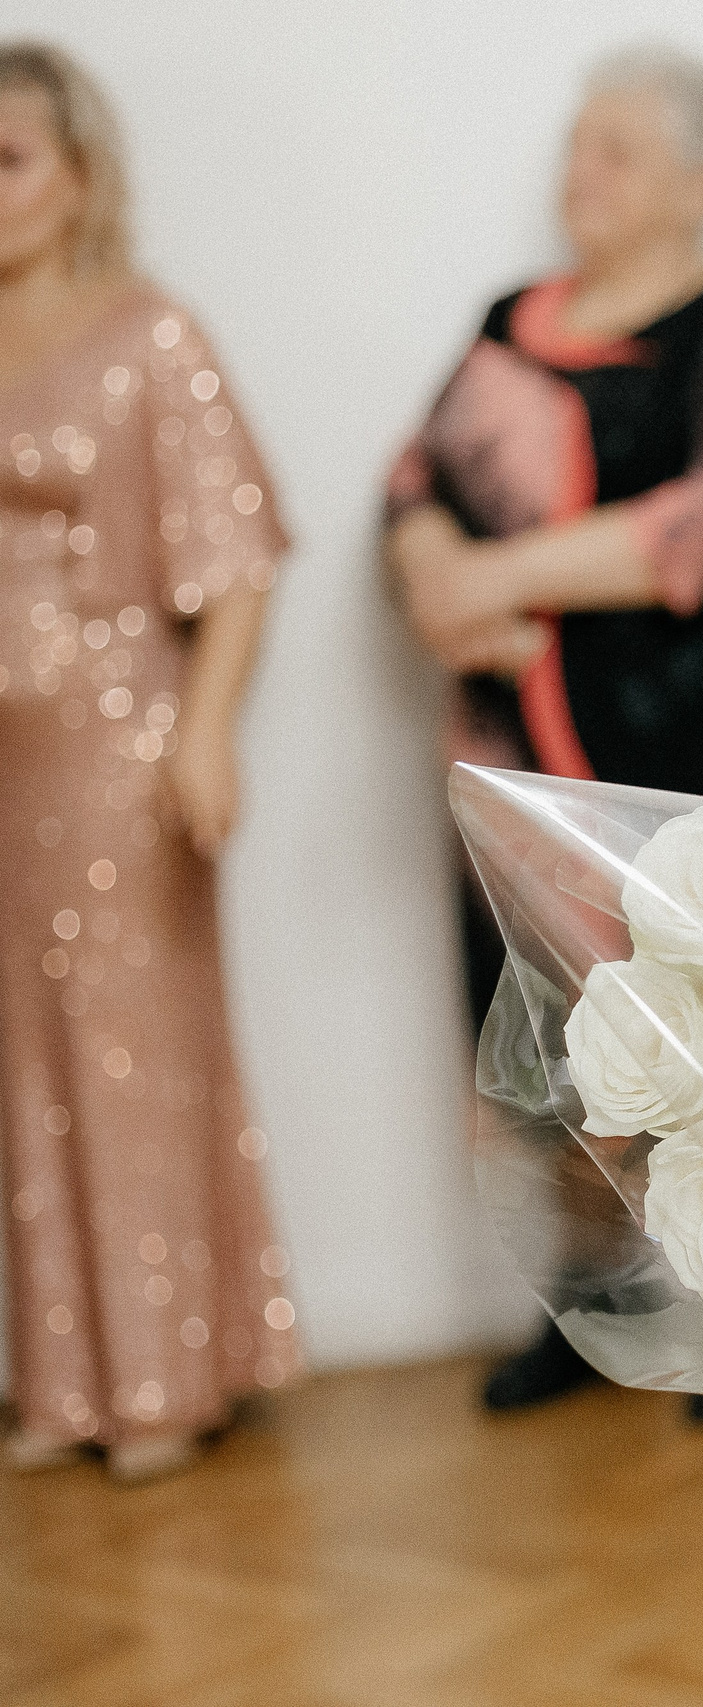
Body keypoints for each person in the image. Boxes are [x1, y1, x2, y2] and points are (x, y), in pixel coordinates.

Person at [386, 43, 703, 1420]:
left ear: (700, 183)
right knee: (542, 1038)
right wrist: (427, 577)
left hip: (691, 744)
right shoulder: (512, 317)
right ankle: (589, 1316)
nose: (585, 173)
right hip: (517, 760)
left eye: (618, 150)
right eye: (578, 145)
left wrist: (496, 578)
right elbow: (410, 482)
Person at [0, 42, 301, 1484]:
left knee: (137, 1054)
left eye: (10, 160)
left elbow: (237, 556)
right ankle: (66, 1376)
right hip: (3, 761)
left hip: (119, 738)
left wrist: (203, 731)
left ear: (78, 175)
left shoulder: (150, 333)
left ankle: (175, 1372)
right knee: (24, 1061)